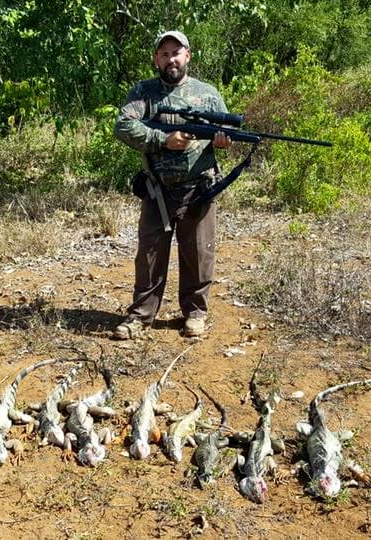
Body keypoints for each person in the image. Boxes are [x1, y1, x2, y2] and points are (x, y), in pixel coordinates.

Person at [112, 30, 232, 340]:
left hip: (198, 189)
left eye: (176, 53)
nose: (171, 59)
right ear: (156, 59)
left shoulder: (207, 94)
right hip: (157, 189)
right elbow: (123, 126)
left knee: (198, 254)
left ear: (187, 56)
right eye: (164, 54)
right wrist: (163, 139)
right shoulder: (143, 92)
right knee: (149, 256)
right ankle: (140, 316)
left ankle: (195, 313)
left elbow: (225, 129)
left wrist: (222, 140)